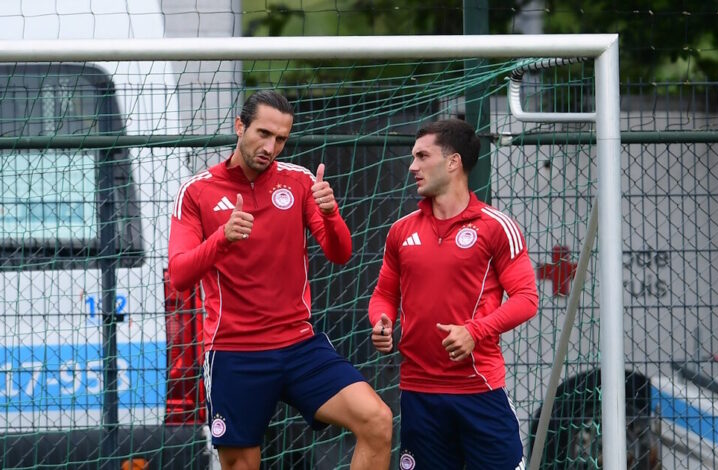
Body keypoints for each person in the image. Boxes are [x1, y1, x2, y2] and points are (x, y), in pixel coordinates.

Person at [168, 90, 392, 470]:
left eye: (281, 139)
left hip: (299, 345)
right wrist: (222, 239)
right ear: (240, 126)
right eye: (263, 133)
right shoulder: (196, 192)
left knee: (377, 420)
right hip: (235, 351)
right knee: (241, 464)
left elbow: (340, 253)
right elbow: (179, 275)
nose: (271, 147)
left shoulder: (300, 181)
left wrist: (331, 213)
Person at [368, 118, 539, 470]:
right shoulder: (400, 231)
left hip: (479, 389)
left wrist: (474, 331)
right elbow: (384, 294)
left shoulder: (496, 226)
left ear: (452, 162)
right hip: (419, 393)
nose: (412, 166)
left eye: (422, 156)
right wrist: (381, 321)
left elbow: (526, 299)